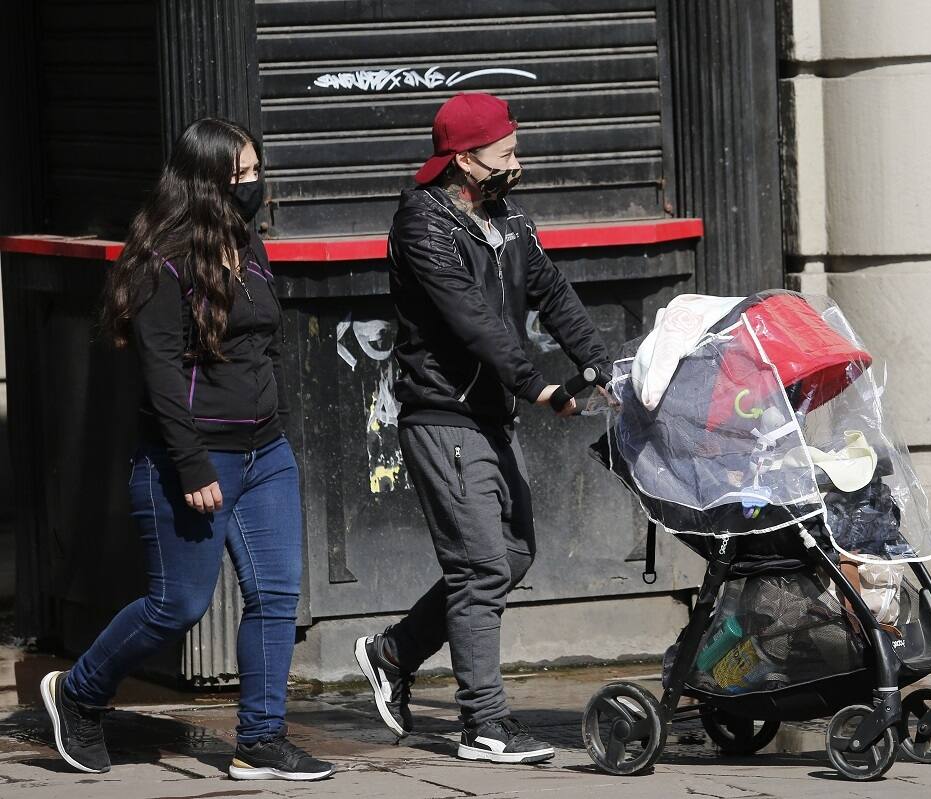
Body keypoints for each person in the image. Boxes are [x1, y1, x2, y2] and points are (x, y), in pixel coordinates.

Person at [39, 118, 334, 782]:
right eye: (241, 176)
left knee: (275, 594)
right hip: (191, 459)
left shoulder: (247, 245)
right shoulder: (161, 262)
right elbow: (164, 376)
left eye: (256, 171)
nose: (254, 186)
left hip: (265, 452)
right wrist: (193, 463)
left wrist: (277, 423)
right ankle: (78, 693)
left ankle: (260, 740)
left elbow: (266, 345)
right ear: (203, 184)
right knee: (178, 605)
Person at [354, 92, 609, 764]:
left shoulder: (507, 218)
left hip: (492, 414)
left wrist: (597, 362)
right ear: (465, 160)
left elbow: (551, 291)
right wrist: (538, 385)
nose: (516, 164)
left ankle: (395, 652)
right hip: (445, 414)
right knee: (480, 567)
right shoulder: (424, 223)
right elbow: (472, 319)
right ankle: (484, 724)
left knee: (514, 554)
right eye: (506, 153)